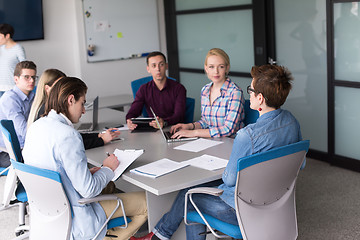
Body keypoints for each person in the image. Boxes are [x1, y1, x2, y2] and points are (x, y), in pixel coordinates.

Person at [131, 64, 302, 240]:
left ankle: (158, 236)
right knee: (197, 189)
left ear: (260, 98)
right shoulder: (292, 121)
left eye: (250, 89)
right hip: (277, 202)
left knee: (189, 195)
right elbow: (299, 164)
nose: (248, 93)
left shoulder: (247, 136)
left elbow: (229, 179)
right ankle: (159, 236)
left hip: (240, 210)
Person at [22, 77, 148, 240]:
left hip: (48, 214)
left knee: (110, 187)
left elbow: (52, 168)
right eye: (82, 103)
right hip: (76, 216)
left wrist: (88, 171)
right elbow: (88, 190)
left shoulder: (36, 127)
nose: (83, 111)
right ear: (70, 100)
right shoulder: (68, 135)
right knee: (146, 203)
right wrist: (108, 168)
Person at [27, 68, 120, 149]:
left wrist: (98, 135)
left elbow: (74, 138)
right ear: (47, 88)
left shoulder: (47, 116)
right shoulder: (47, 111)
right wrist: (101, 140)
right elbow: (71, 142)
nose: (63, 89)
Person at [170, 48, 245, 139]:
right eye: (211, 67)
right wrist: (189, 126)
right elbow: (206, 122)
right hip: (210, 141)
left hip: (230, 142)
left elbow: (228, 129)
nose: (216, 71)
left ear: (227, 68)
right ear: (206, 69)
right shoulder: (205, 90)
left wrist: (194, 133)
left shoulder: (235, 92)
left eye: (221, 66)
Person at [126, 51, 186, 130]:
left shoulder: (179, 88)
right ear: (148, 69)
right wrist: (129, 120)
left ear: (166, 66)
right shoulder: (143, 89)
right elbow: (134, 111)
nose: (158, 69)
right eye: (153, 66)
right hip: (152, 129)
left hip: (173, 129)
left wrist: (164, 122)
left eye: (161, 65)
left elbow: (179, 116)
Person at [0, 60, 36, 168]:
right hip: (7, 153)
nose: (32, 80)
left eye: (34, 77)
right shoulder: (10, 99)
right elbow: (23, 131)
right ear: (16, 79)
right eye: (26, 77)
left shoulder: (32, 96)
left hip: (25, 147)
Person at [0, 23, 26, 97]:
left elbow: (24, 66)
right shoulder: (1, 49)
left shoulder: (18, 48)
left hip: (12, 87)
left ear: (7, 36)